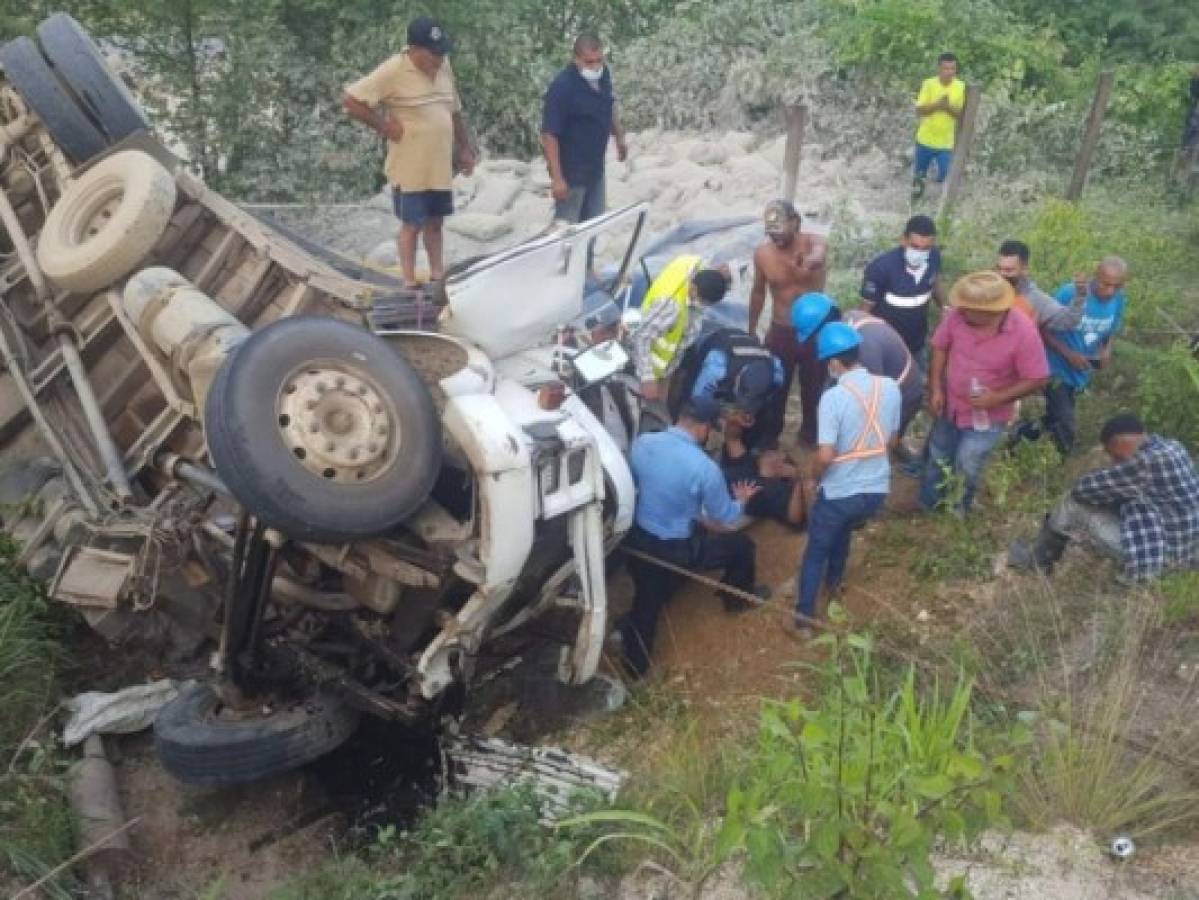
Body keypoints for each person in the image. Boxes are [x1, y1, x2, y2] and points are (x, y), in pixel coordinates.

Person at [620, 398, 769, 677]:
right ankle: (736, 598)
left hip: (638, 537)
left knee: (646, 599)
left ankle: (634, 666)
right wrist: (741, 500)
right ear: (703, 428)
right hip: (676, 548)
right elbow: (724, 516)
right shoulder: (705, 469)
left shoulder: (643, 443)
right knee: (742, 546)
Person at [343, 17, 476, 288]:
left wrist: (464, 147)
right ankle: (408, 279)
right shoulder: (393, 70)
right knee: (412, 223)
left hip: (438, 164)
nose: (438, 59)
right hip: (410, 165)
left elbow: (454, 111)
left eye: (441, 52)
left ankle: (438, 274)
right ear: (415, 49)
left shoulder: (444, 67)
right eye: (433, 53)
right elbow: (351, 100)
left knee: (436, 222)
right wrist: (385, 127)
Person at [794, 323, 900, 633]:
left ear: (834, 363)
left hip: (841, 492)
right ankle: (835, 584)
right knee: (844, 531)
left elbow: (825, 455)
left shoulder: (833, 397)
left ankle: (803, 620)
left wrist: (812, 477)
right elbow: (892, 441)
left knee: (815, 552)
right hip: (876, 491)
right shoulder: (889, 386)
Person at [1008, 414, 1199, 582]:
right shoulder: (1172, 447)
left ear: (1117, 443)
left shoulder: (1144, 462)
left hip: (1163, 557)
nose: (1113, 460)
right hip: (1187, 551)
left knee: (1072, 504)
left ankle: (1037, 563)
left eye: (1111, 453)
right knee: (1113, 501)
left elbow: (1083, 489)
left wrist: (1108, 490)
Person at [921, 271, 1049, 512]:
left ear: (992, 311)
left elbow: (1037, 377)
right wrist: (936, 388)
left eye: (970, 309)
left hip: (988, 416)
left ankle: (958, 512)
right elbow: (940, 347)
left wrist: (997, 398)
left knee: (968, 463)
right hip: (951, 404)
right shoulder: (957, 317)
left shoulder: (1023, 332)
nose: (963, 311)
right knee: (939, 455)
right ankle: (928, 506)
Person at [748, 199, 829, 447]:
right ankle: (770, 437)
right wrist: (751, 329)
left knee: (814, 389)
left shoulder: (814, 242)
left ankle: (809, 436)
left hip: (814, 331)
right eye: (772, 234)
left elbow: (819, 253)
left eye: (781, 233)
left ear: (796, 222)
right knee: (776, 387)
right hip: (781, 330)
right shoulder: (763, 254)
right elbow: (758, 292)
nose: (777, 239)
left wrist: (811, 261)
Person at [792, 291, 925, 440]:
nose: (815, 343)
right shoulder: (847, 323)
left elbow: (872, 399)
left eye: (814, 338)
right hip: (885, 379)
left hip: (903, 393)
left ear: (823, 328)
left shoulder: (863, 347)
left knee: (869, 441)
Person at [1039, 257, 1128, 454]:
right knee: (1065, 423)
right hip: (1055, 368)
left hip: (1081, 371)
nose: (1111, 291)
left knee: (1056, 418)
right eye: (1106, 284)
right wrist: (1068, 354)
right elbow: (1041, 328)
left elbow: (1111, 329)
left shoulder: (1119, 299)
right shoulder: (1070, 293)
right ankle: (1061, 467)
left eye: (1117, 286)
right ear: (1095, 277)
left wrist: (1106, 349)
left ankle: (1023, 435)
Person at [540, 34, 628, 224]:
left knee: (594, 225)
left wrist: (619, 137)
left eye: (599, 60)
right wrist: (557, 178)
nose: (595, 67)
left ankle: (589, 255)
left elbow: (608, 105)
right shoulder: (562, 88)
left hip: (595, 168)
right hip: (572, 173)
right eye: (589, 62)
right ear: (576, 59)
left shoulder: (604, 75)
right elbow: (549, 134)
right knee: (569, 229)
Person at [629, 256, 729, 401]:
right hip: (645, 367)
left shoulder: (692, 264)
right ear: (693, 288)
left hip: (667, 367)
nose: (702, 306)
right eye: (702, 301)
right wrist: (647, 378)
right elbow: (641, 337)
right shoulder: (671, 307)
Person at [674, 324, 783, 444]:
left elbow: (771, 400)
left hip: (746, 351)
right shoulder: (715, 368)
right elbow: (697, 401)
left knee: (763, 420)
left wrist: (750, 412)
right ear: (737, 380)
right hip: (712, 342)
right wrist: (721, 415)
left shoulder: (776, 373)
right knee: (689, 408)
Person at [860, 215, 945, 366]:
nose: (920, 253)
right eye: (915, 246)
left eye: (926, 248)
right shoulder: (881, 269)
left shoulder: (934, 258)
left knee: (917, 383)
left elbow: (934, 282)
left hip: (917, 344)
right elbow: (865, 310)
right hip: (887, 346)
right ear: (903, 240)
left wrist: (945, 307)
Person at [995, 240, 1085, 329]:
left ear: (1024, 269)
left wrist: (1080, 295)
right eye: (999, 269)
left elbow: (1068, 320)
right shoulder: (990, 291)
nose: (1002, 274)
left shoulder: (1035, 298)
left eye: (1009, 270)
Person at [912, 52, 965, 198]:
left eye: (952, 69)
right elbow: (920, 109)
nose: (949, 72)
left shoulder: (961, 87)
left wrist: (948, 107)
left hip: (946, 143)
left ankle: (938, 200)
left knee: (945, 173)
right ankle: (914, 206)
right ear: (939, 69)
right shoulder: (929, 84)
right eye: (945, 69)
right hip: (925, 139)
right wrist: (938, 105)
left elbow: (962, 115)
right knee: (919, 177)